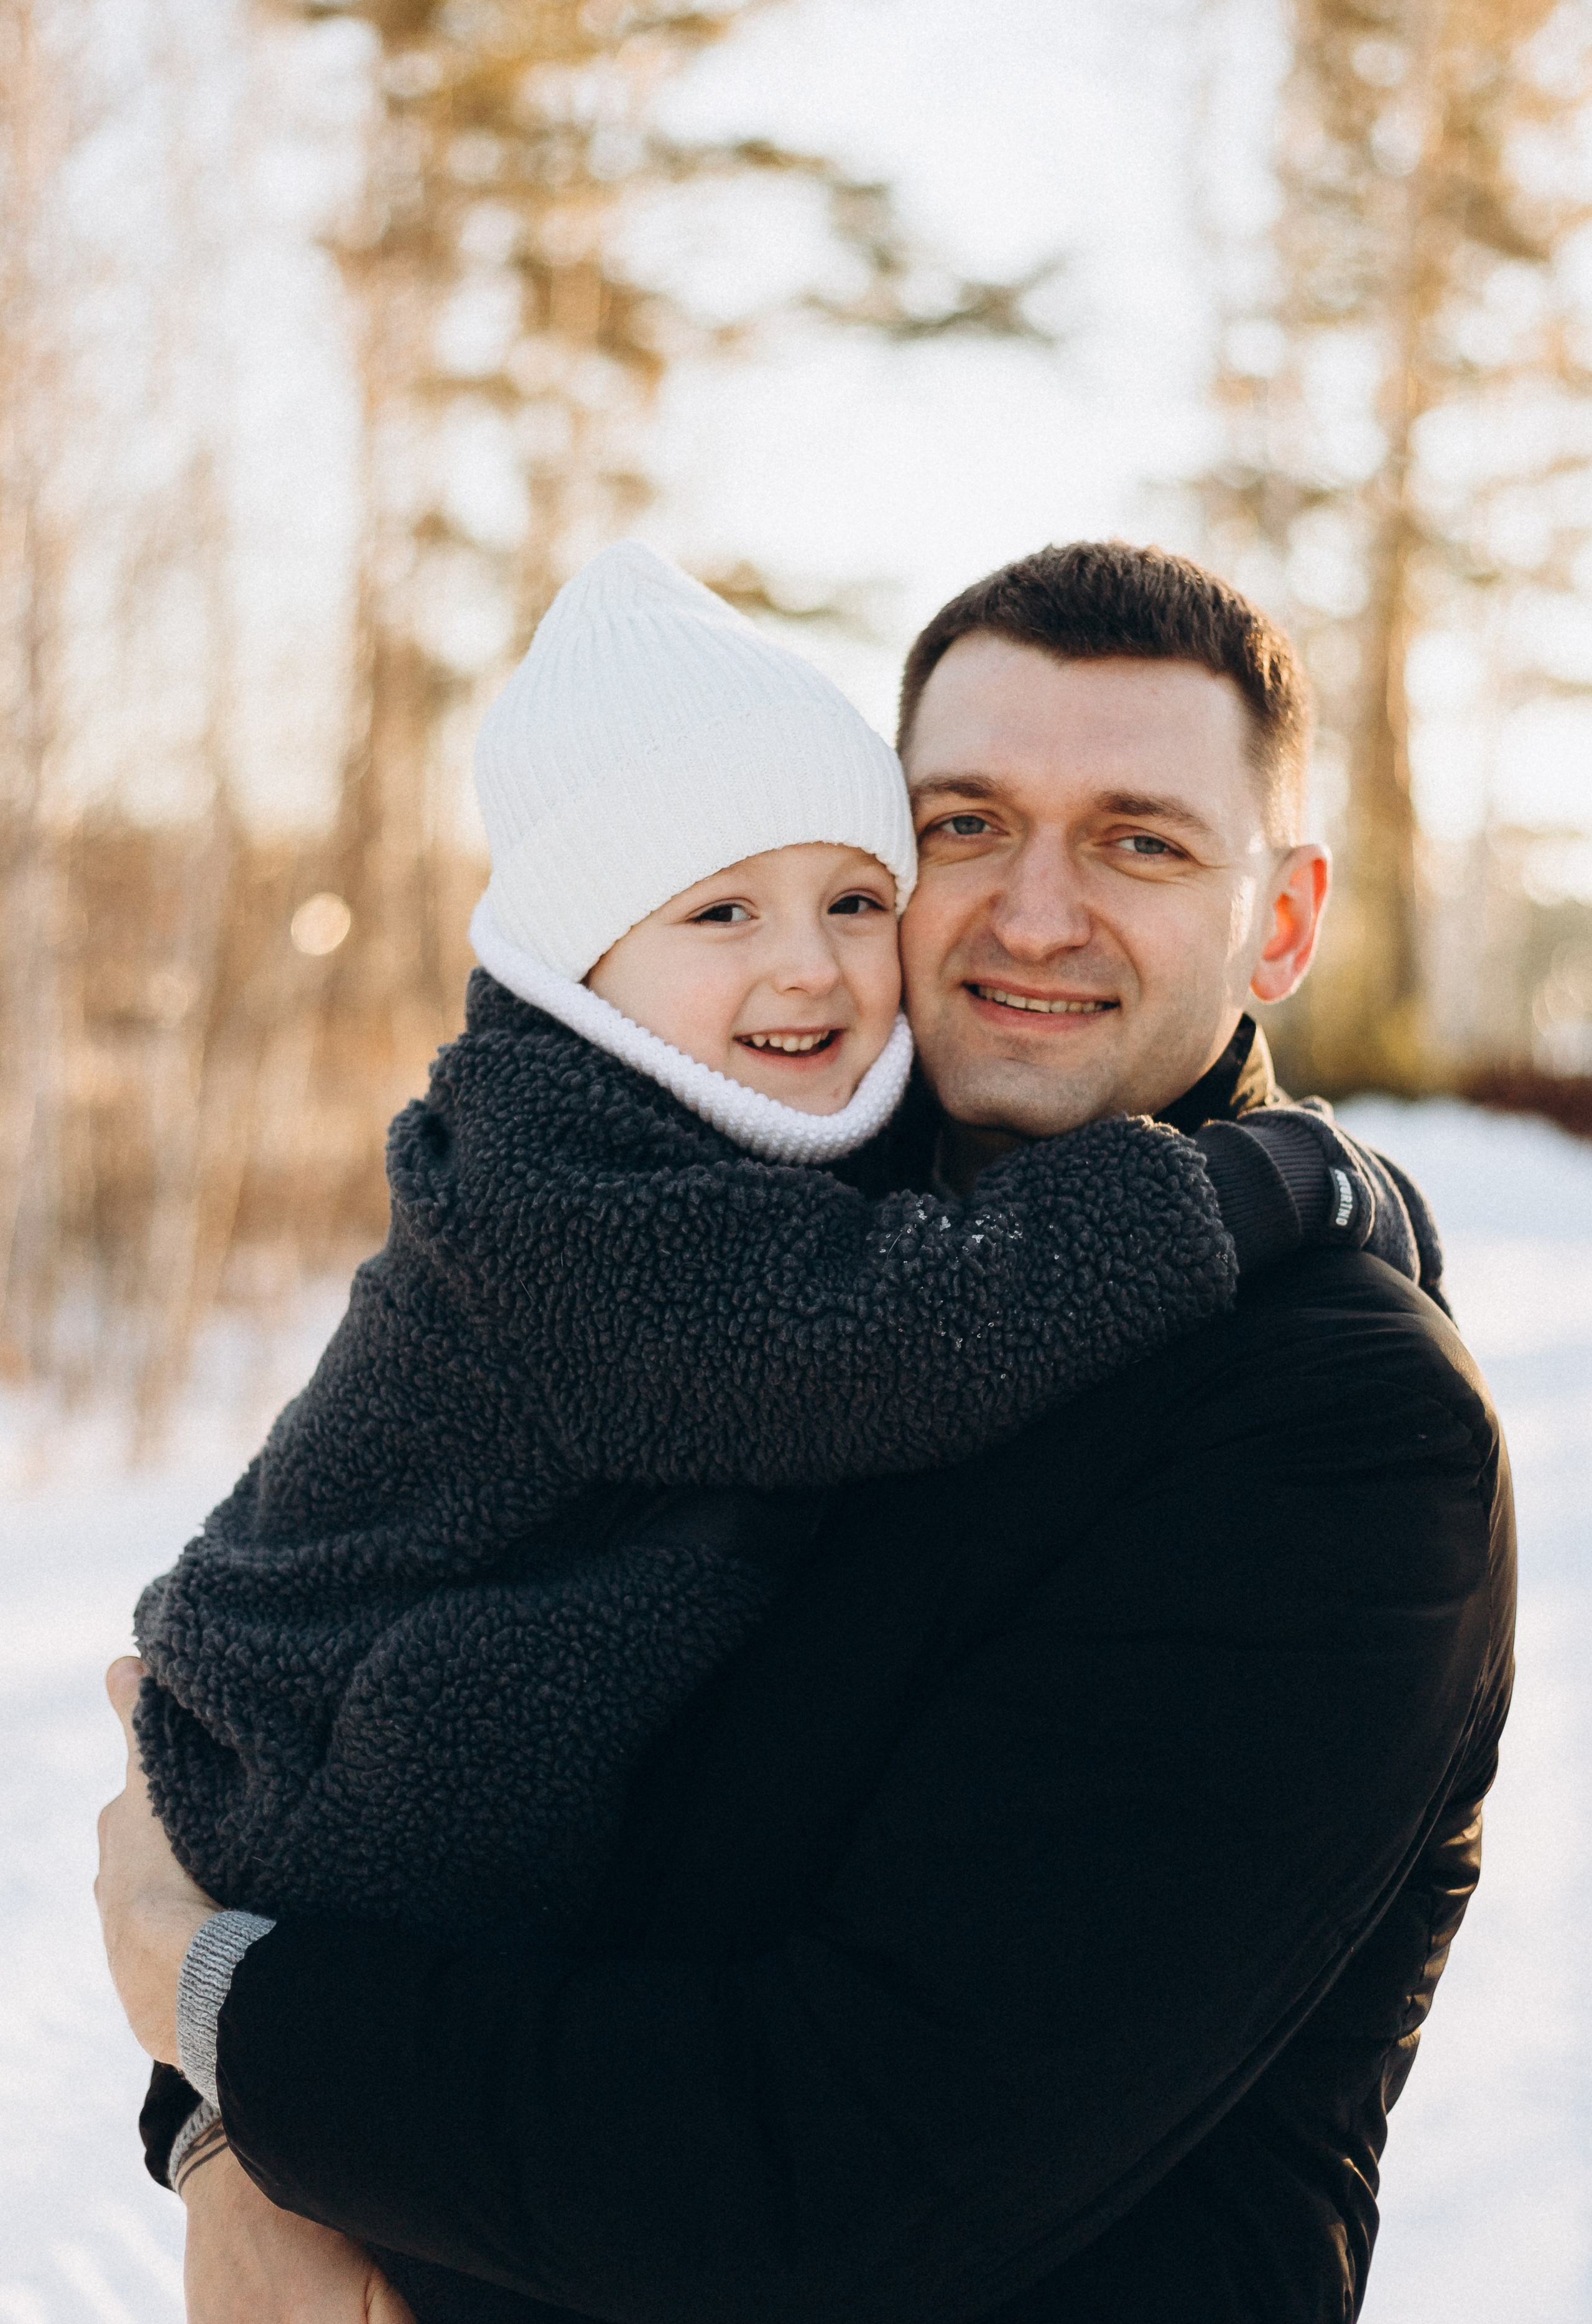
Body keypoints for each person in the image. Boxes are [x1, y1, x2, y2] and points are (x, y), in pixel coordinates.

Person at [98, 540, 1513, 2324]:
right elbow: (358, 1667)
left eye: (1140, 842)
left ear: (1284, 924)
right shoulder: (749, 1231)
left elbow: (850, 2172)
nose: (1033, 916)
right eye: (964, 827)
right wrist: (231, 2138)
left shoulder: (1340, 1427)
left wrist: (225, 2009)